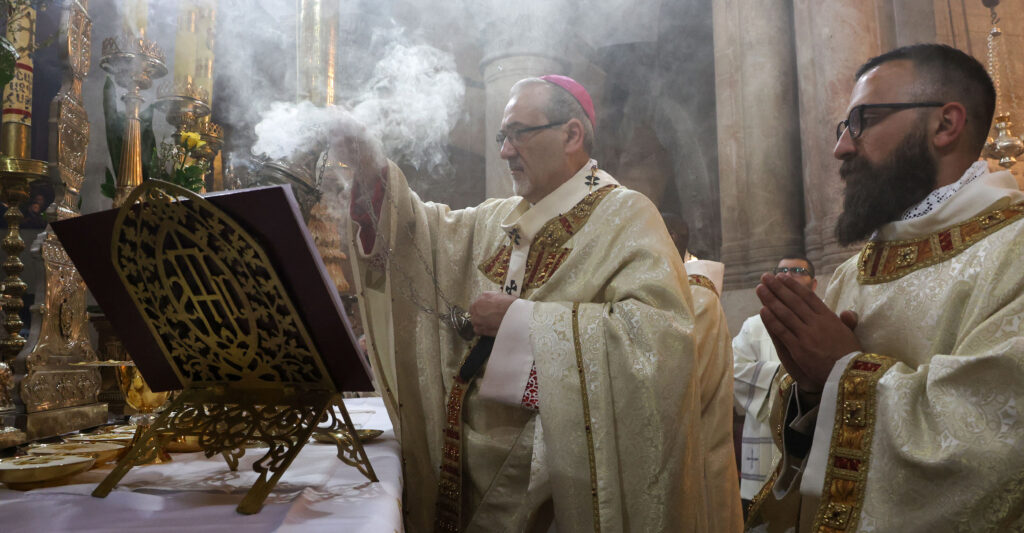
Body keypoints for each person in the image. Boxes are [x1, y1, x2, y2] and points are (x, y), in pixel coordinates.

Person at [342, 76, 711, 531]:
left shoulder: (627, 216)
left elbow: (660, 347)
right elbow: (422, 238)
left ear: (572, 135)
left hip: (558, 483)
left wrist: (520, 323)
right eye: (502, 136)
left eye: (519, 133)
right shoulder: (500, 217)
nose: (505, 151)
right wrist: (372, 174)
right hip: (464, 465)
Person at [747, 43, 1024, 532]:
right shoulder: (858, 270)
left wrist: (842, 371)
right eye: (843, 127)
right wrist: (811, 392)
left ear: (945, 124)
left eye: (864, 120)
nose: (842, 147)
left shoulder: (1013, 248)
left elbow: (992, 451)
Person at [732, 257, 816, 515]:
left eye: (798, 270)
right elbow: (735, 371)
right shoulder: (753, 326)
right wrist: (788, 375)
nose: (790, 274)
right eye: (783, 270)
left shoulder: (825, 325)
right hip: (765, 436)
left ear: (813, 285)